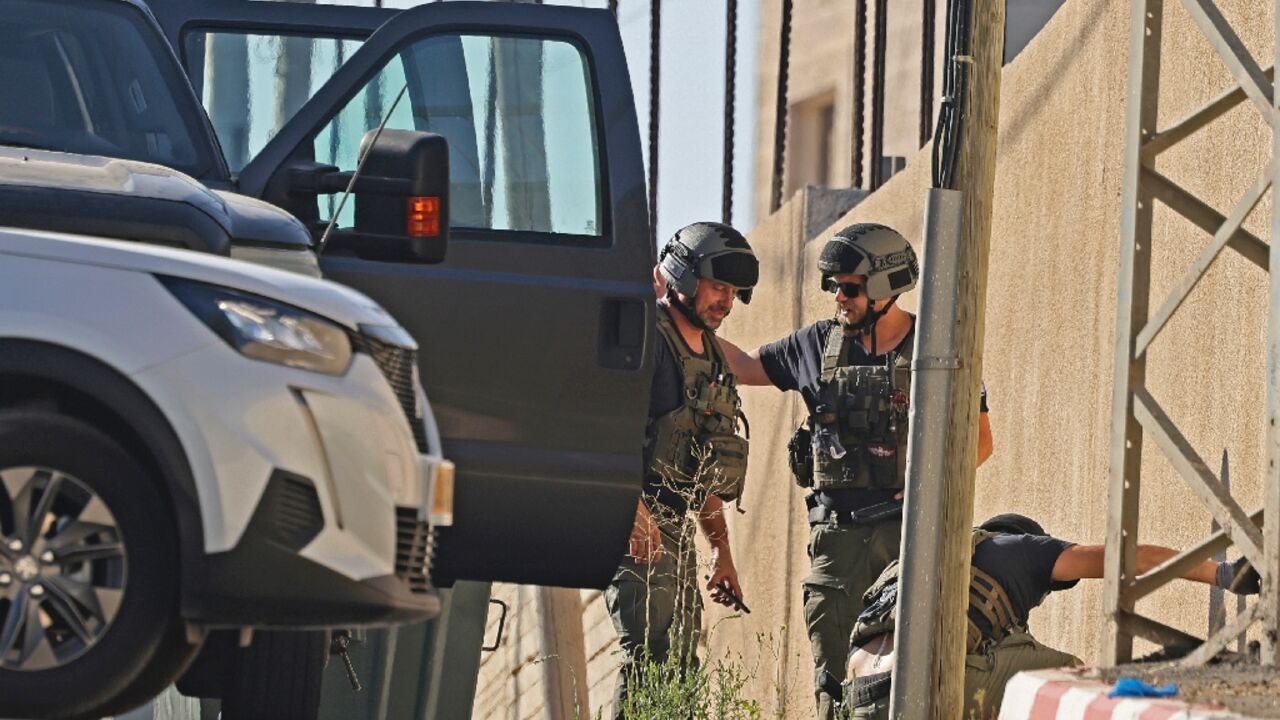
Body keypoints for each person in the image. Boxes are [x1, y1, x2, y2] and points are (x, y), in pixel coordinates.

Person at [716, 222, 994, 718]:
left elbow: (979, 441)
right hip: (837, 546)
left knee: (916, 680)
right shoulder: (816, 345)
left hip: (908, 541)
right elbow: (741, 364)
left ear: (885, 288)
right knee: (834, 688)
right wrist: (672, 318)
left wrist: (926, 492)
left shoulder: (937, 348)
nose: (838, 298)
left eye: (850, 288)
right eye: (833, 286)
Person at [843, 513, 1261, 718]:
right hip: (922, 676)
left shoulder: (929, 563)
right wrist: (1224, 573)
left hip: (859, 693)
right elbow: (1128, 558)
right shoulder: (1023, 552)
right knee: (1068, 680)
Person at [606, 221, 758, 719]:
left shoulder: (713, 358)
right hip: (639, 525)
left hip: (677, 533)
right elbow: (606, 431)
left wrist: (721, 552)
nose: (726, 302)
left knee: (681, 668)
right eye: (718, 287)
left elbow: (703, 464)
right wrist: (632, 509)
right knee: (648, 660)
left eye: (733, 292)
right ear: (684, 278)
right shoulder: (648, 340)